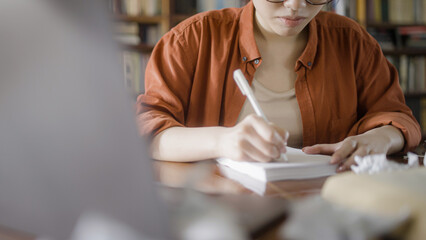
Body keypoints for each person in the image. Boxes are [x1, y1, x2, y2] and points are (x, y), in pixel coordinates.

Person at [136, 0, 421, 172]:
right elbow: (148, 130)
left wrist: (377, 140)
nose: (296, 6)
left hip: (324, 209)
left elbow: (397, 118)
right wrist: (223, 142)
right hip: (218, 210)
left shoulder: (352, 43)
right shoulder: (192, 40)